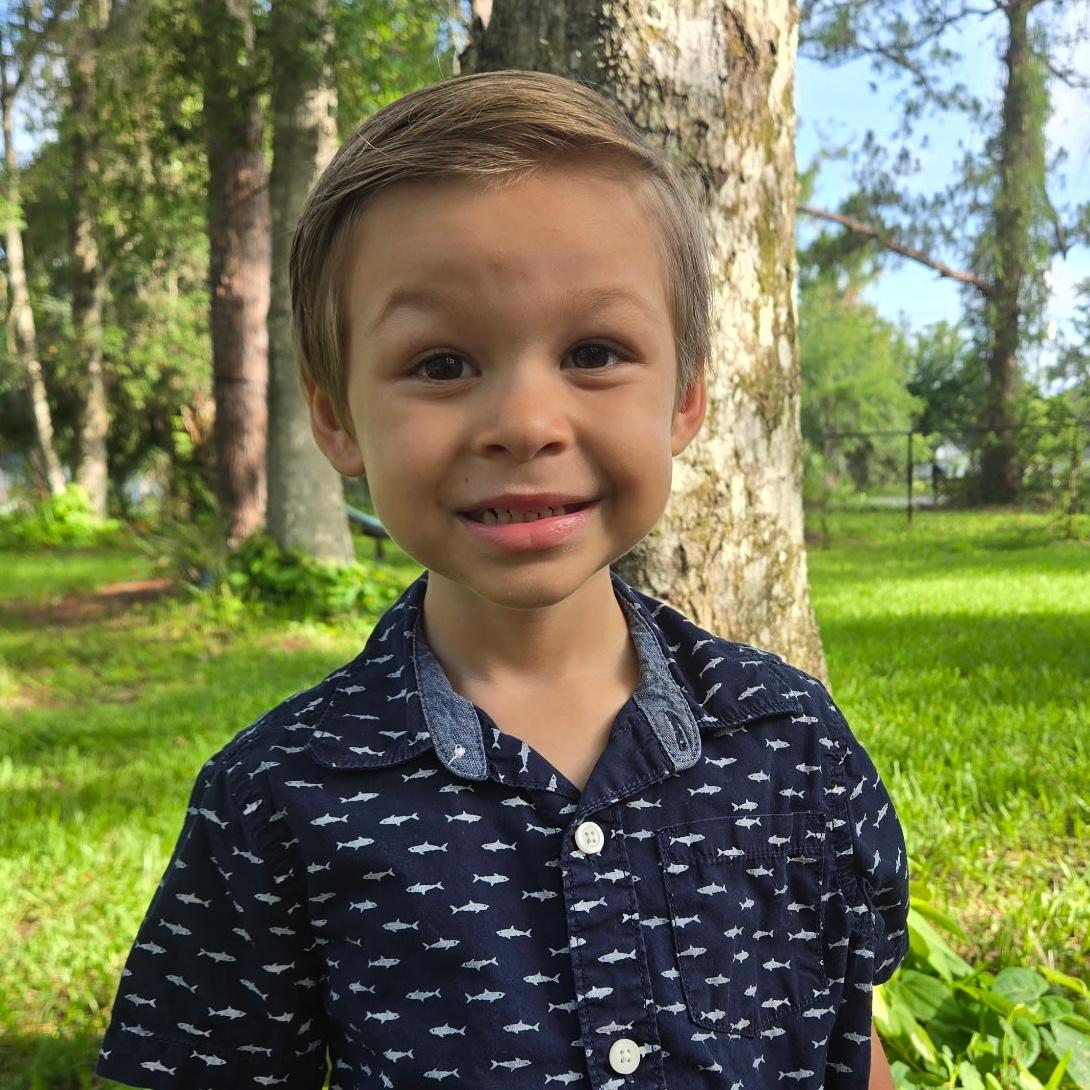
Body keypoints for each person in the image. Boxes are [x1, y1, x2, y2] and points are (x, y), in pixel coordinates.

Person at [96, 69, 909, 1090]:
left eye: (595, 351)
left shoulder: (790, 741)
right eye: (441, 364)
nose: (525, 423)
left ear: (685, 398)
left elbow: (849, 1039)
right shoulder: (276, 798)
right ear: (336, 418)